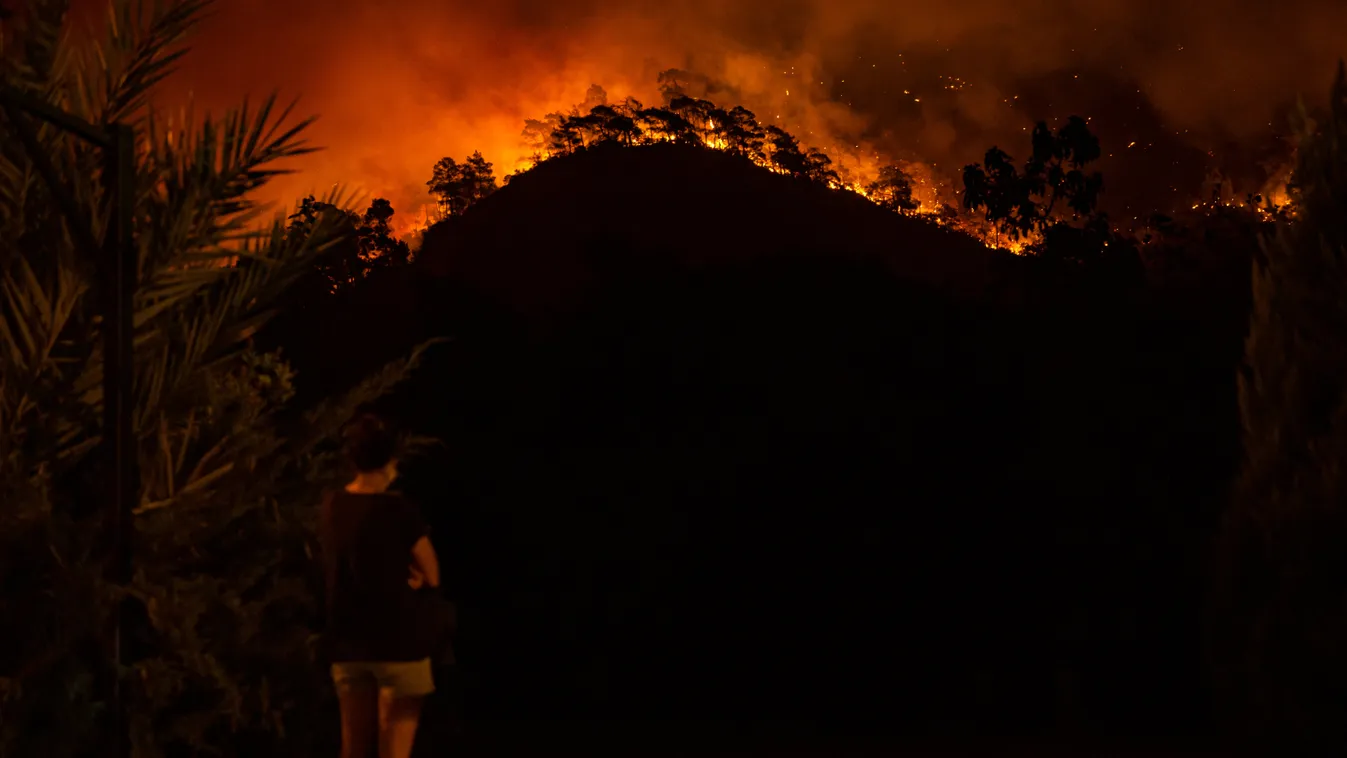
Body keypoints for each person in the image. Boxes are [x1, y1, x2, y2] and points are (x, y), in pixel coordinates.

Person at [320, 413, 441, 758]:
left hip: (348, 644)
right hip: (399, 643)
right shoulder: (400, 509)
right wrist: (415, 579)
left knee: (354, 750)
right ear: (391, 460)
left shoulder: (332, 506)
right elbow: (432, 573)